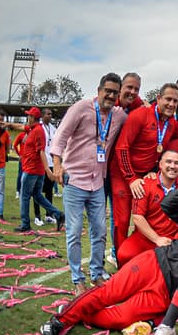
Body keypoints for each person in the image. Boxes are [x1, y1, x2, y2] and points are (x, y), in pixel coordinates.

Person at [39, 177, 178, 335]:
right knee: (109, 293)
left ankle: (75, 311)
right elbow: (167, 206)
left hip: (167, 295)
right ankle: (58, 322)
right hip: (155, 264)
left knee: (119, 319)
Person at [51, 73, 128, 293]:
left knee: (100, 231)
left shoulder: (119, 116)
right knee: (74, 231)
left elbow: (140, 110)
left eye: (115, 92)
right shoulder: (81, 107)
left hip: (97, 183)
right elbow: (60, 137)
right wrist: (57, 165)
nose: (111, 95)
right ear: (99, 90)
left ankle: (96, 273)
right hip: (75, 180)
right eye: (108, 91)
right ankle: (77, 279)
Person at [110, 83, 178, 251]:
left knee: (144, 217)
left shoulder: (172, 123)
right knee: (122, 221)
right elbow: (121, 148)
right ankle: (119, 258)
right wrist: (131, 178)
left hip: (145, 176)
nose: (171, 104)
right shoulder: (140, 115)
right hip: (123, 174)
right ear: (158, 98)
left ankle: (140, 258)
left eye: (175, 101)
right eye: (168, 99)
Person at [116, 150, 178, 268]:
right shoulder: (145, 184)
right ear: (160, 164)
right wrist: (157, 239)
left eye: (177, 163)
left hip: (172, 239)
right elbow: (137, 217)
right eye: (168, 162)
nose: (172, 166)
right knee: (124, 254)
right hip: (146, 237)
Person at [16, 107, 65, 233]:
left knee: (24, 196)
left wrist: (48, 171)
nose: (27, 119)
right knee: (37, 196)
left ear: (33, 118)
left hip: (32, 170)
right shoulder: (33, 129)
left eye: (29, 116)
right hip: (35, 170)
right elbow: (20, 127)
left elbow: (41, 151)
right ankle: (58, 214)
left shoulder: (38, 131)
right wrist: (6, 124)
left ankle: (25, 224)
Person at [37, 108, 57, 224]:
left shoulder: (53, 129)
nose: (50, 116)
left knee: (49, 190)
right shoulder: (39, 128)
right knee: (38, 190)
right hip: (41, 163)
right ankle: (37, 216)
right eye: (48, 114)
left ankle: (49, 215)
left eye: (51, 114)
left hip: (51, 163)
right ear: (43, 115)